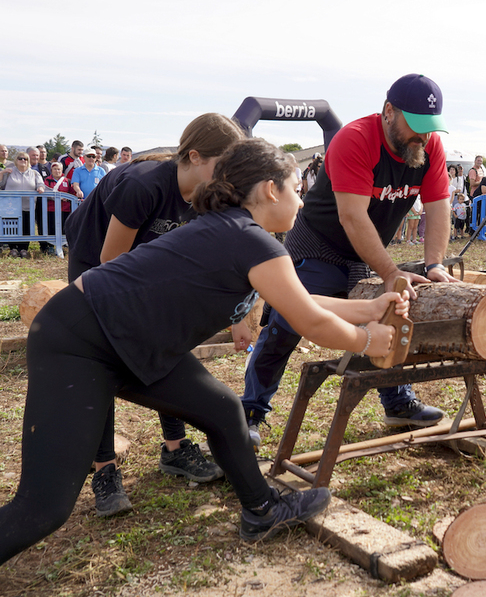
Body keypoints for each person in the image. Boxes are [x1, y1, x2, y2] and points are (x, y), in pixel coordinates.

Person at [0, 137, 410, 565]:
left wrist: (369, 308)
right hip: (79, 341)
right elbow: (310, 321)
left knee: (222, 408)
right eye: (296, 189)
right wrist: (366, 340)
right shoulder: (249, 239)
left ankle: (262, 510)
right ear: (270, 190)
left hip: (123, 341)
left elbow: (298, 299)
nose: (303, 202)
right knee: (42, 509)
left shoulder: (239, 232)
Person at [240, 74, 459, 447]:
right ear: (388, 112)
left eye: (429, 127)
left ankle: (397, 402)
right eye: (415, 125)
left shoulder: (430, 147)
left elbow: (439, 207)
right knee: (288, 323)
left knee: (389, 314)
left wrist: (434, 264)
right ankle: (249, 413)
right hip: (319, 244)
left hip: (364, 251)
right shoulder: (356, 138)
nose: (423, 136)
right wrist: (389, 271)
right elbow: (352, 216)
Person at [64, 113, 244, 516]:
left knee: (168, 340)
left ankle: (175, 448)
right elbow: (111, 264)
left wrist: (233, 313)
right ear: (194, 157)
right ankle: (104, 469)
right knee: (98, 359)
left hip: (140, 262)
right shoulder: (143, 184)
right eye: (223, 165)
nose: (228, 177)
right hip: (95, 260)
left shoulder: (205, 195)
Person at [1, 152, 45, 258]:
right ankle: (13, 248)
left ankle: (23, 248)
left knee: (26, 227)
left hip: (28, 206)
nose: (23, 160)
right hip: (11, 206)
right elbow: (1, 185)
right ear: (16, 160)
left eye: (25, 159)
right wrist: (2, 173)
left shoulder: (34, 173)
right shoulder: (9, 172)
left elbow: (40, 184)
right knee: (11, 227)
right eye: (20, 158)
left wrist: (40, 188)